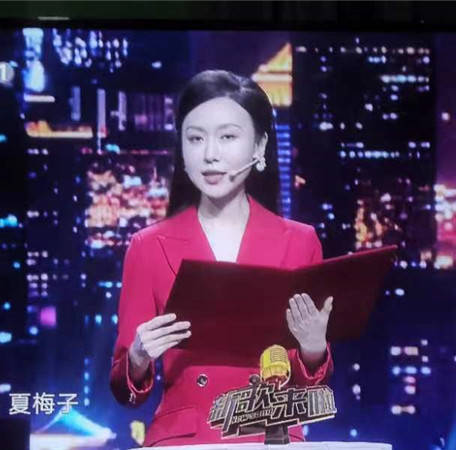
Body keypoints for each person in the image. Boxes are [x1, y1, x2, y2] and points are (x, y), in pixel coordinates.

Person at [110, 69, 334, 446]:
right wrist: (138, 357)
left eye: (227, 137)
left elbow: (310, 384)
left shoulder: (300, 241)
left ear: (259, 147)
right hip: (185, 441)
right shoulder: (148, 246)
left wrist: (314, 348)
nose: (210, 154)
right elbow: (126, 391)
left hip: (269, 436)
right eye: (195, 138)